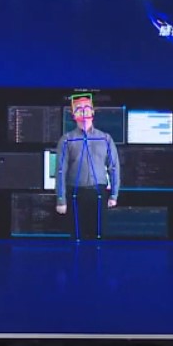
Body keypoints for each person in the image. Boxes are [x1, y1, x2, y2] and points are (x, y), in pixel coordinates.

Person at [55, 94, 120, 241]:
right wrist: (61, 199)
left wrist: (114, 195)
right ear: (73, 115)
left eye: (86, 108)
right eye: (79, 109)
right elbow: (60, 171)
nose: (83, 112)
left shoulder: (105, 138)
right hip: (75, 193)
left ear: (93, 112)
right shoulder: (66, 140)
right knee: (77, 238)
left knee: (99, 237)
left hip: (99, 193)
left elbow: (114, 167)